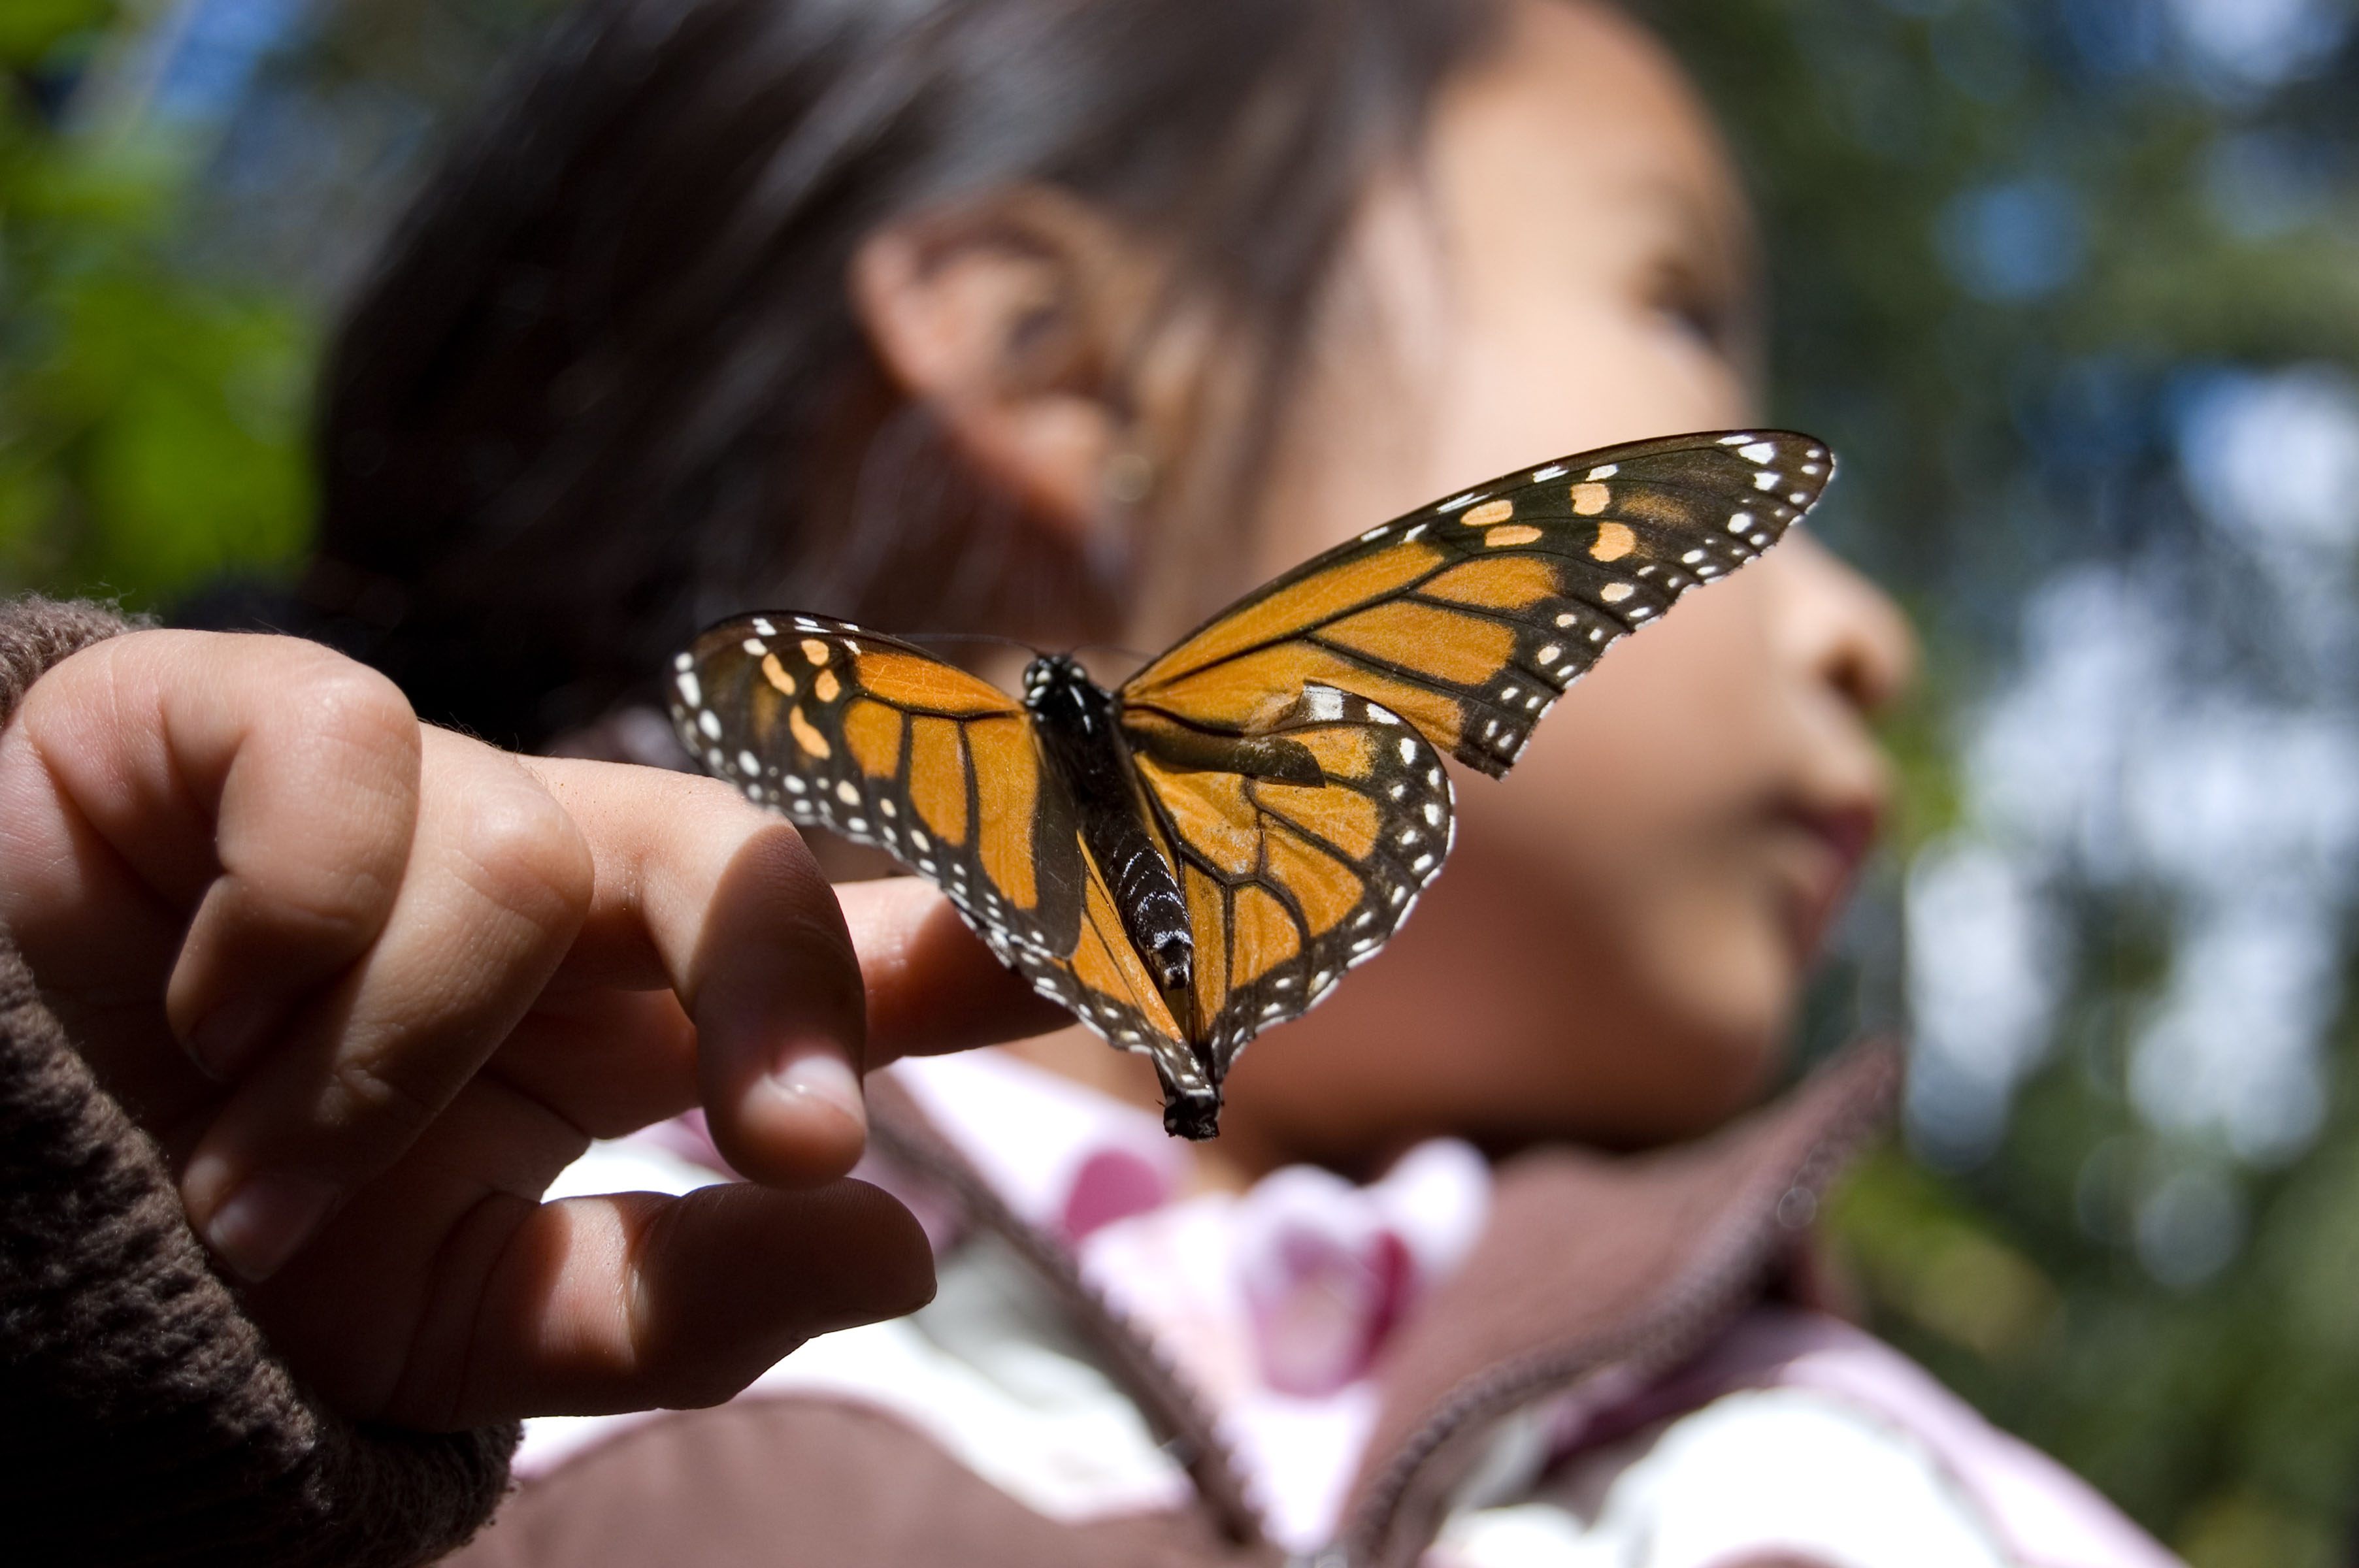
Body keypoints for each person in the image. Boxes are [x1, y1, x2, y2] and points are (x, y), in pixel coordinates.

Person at [0, 1, 2181, 1564]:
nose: (1868, 627)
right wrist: (69, 1197)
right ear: (1056, 371)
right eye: (1682, 315)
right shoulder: (458, 1242)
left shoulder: (1858, 1480)